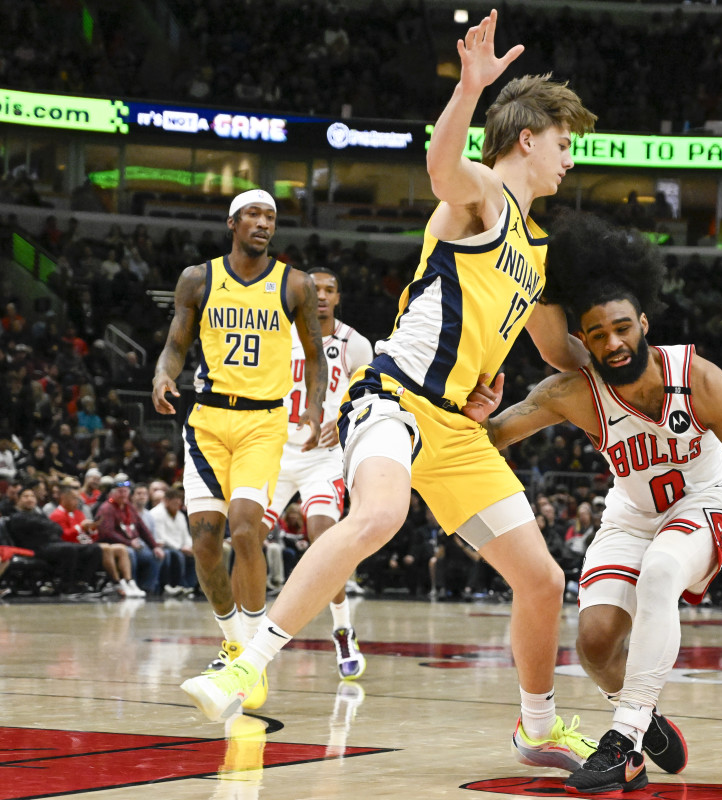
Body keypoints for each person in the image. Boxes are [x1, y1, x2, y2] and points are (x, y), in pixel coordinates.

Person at [180, 10, 600, 775]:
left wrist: (628, 362)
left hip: (458, 427)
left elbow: (555, 351)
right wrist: (470, 90)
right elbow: (444, 169)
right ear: (529, 139)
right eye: (566, 143)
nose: (572, 159)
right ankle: (247, 661)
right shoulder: (481, 197)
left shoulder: (537, 255)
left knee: (541, 580)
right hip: (395, 397)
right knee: (379, 512)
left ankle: (536, 727)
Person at [479, 211, 722, 792]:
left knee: (661, 572)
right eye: (599, 334)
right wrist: (474, 414)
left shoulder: (698, 378)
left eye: (622, 328)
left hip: (708, 503)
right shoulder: (571, 394)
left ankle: (624, 740)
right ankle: (645, 715)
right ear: (582, 340)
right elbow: (492, 439)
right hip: (632, 515)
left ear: (643, 323)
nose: (613, 343)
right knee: (594, 644)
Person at [153, 187, 325, 713]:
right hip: (207, 419)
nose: (263, 223)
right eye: (253, 214)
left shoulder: (294, 283)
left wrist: (314, 407)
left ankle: (253, 657)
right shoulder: (198, 278)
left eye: (270, 217)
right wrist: (163, 374)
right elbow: (177, 341)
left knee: (247, 525)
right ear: (232, 222)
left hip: (263, 420)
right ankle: (232, 643)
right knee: (205, 540)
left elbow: (315, 357)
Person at [259, 266, 372, 680]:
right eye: (314, 289)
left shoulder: (353, 343)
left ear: (338, 297)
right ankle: (244, 637)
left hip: (323, 456)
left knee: (324, 536)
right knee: (247, 537)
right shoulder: (278, 334)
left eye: (329, 289)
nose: (321, 295)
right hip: (273, 452)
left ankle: (342, 628)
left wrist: (342, 417)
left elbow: (371, 393)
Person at [49, 477, 142, 597]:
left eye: (77, 499)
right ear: (63, 498)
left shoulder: (79, 513)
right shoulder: (57, 515)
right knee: (106, 548)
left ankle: (129, 581)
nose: (77, 502)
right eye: (74, 499)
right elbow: (63, 537)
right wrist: (80, 528)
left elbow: (90, 536)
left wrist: (92, 530)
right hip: (72, 549)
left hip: (85, 545)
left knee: (121, 549)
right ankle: (116, 582)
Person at [95, 474, 164, 595]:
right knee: (130, 553)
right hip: (115, 545)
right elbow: (107, 533)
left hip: (133, 543)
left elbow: (142, 528)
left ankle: (148, 588)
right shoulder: (107, 508)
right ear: (112, 493)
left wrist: (155, 546)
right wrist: (128, 542)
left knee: (153, 556)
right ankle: (131, 583)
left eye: (125, 491)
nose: (123, 494)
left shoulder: (129, 507)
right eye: (120, 491)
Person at [150, 487, 196, 596]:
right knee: (177, 555)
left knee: (194, 555)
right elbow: (161, 537)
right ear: (166, 501)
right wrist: (180, 548)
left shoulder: (180, 515)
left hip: (180, 547)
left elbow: (186, 535)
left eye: (179, 501)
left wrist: (189, 546)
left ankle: (190, 586)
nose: (178, 504)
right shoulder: (156, 514)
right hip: (163, 545)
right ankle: (177, 585)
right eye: (175, 502)